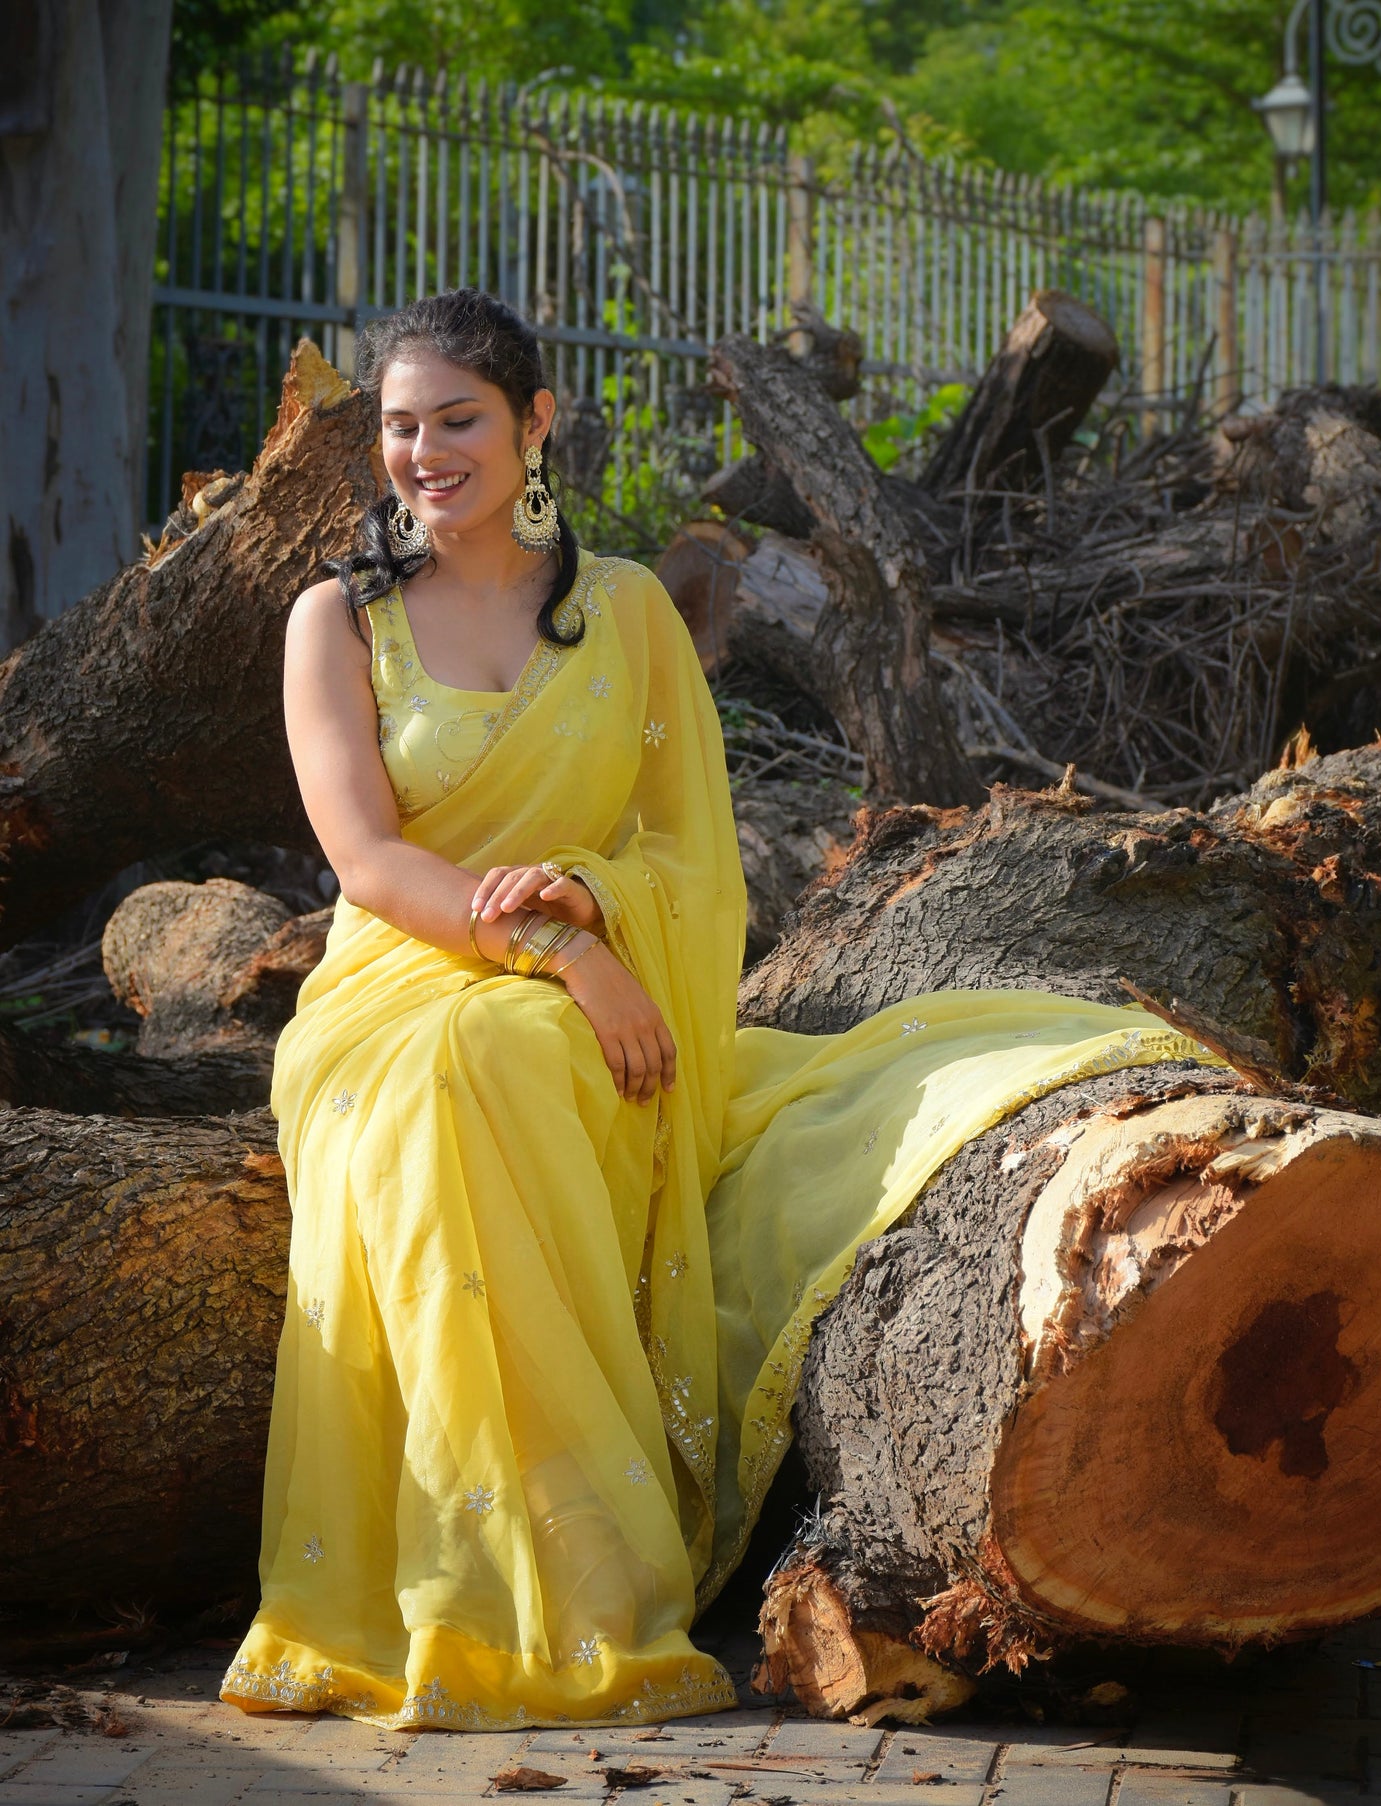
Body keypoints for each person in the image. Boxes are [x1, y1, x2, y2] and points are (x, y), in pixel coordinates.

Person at [221, 288, 1215, 1732]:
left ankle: (560, 1575)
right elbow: (368, 863)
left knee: (500, 1059)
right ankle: (486, 1585)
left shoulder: (620, 610)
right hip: (398, 980)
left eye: (458, 420)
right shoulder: (339, 619)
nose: (425, 452)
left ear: (534, 424)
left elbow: (691, 856)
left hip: (591, 969)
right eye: (399, 426)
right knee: (456, 1065)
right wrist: (564, 953)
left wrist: (597, 915)